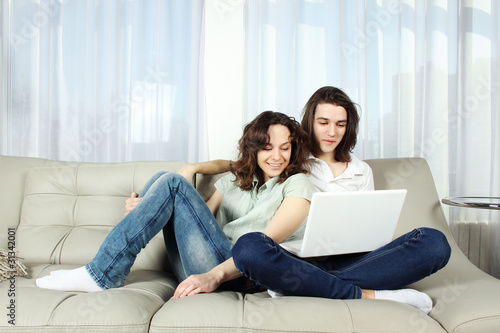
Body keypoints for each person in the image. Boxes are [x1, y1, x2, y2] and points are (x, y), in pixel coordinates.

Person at [179, 87, 451, 314]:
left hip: (352, 260)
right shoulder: (289, 157)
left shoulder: (361, 170)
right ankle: (369, 295)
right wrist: (193, 168)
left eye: (340, 124)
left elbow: (370, 222)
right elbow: (243, 162)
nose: (332, 132)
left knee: (434, 242)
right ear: (310, 122)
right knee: (250, 248)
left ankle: (303, 287)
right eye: (323, 123)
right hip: (293, 258)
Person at [35, 111, 317, 298]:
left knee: (171, 183)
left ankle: (103, 273)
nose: (277, 156)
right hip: (197, 265)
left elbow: (262, 249)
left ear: (294, 149)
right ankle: (107, 263)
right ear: (254, 149)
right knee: (164, 180)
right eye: (267, 147)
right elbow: (197, 220)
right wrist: (151, 205)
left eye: (285, 147)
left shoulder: (297, 184)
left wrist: (213, 275)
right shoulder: (235, 180)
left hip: (236, 273)